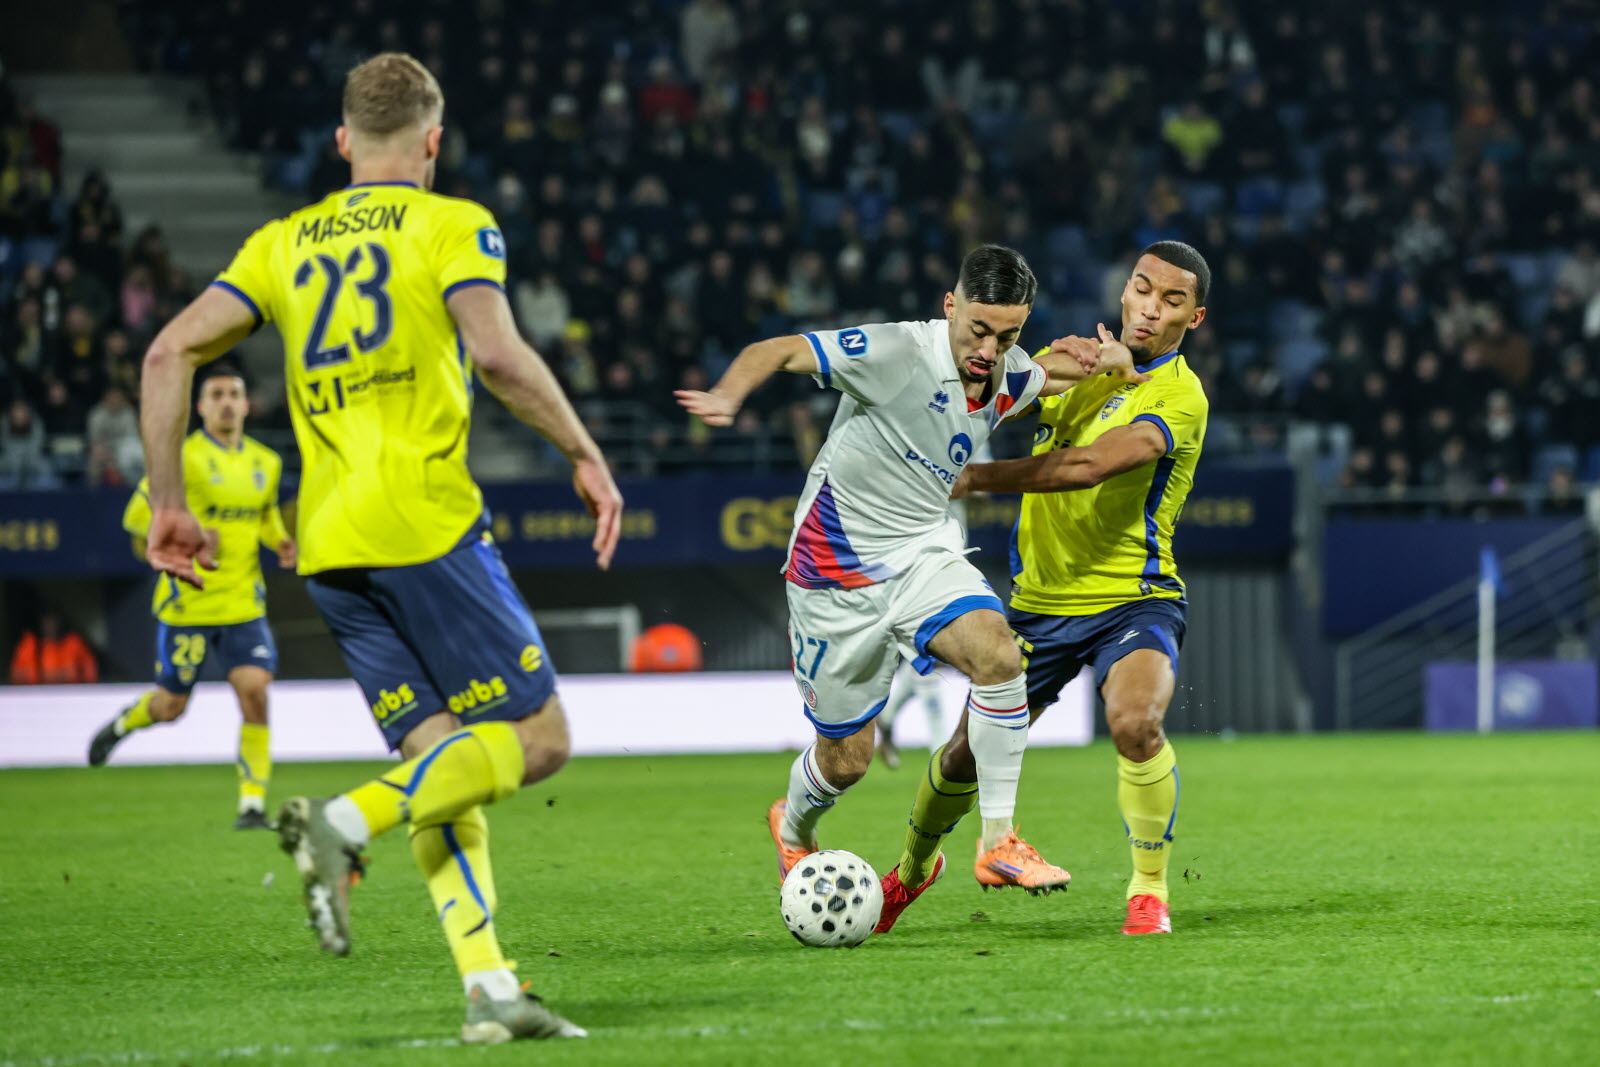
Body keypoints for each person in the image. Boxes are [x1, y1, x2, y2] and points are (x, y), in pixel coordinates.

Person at [133, 53, 622, 1043]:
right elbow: (494, 351)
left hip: (330, 541)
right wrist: (583, 449)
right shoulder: (451, 223)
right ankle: (345, 821)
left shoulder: (279, 241)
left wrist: (169, 502)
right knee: (539, 740)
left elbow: (166, 350)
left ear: (345, 141)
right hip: (423, 519)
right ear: (433, 142)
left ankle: (490, 991)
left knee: (446, 758)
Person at [676, 244, 1144, 933]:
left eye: (1007, 334)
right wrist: (726, 394)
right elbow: (776, 349)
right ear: (949, 306)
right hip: (833, 574)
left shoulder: (1005, 372)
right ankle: (793, 822)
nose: (989, 349)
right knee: (848, 758)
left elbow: (1050, 371)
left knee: (1000, 657)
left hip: (924, 552)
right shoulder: (895, 352)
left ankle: (999, 841)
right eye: (978, 330)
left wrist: (1111, 360)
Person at [951, 240, 1212, 936]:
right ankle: (909, 871)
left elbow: (1090, 465)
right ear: (1123, 291)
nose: (1150, 308)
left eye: (1172, 300)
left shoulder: (1181, 396)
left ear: (1196, 317)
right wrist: (1033, 370)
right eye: (1141, 289)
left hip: (1135, 596)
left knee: (1135, 722)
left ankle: (1148, 889)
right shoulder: (1079, 368)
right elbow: (976, 404)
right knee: (961, 756)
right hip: (1040, 603)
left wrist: (972, 479)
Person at [87, 366, 294, 833]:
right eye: (216, 394)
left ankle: (252, 806)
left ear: (246, 405)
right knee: (171, 708)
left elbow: (263, 516)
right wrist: (190, 538)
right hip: (190, 604)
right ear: (200, 407)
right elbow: (137, 517)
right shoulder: (180, 460)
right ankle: (124, 724)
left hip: (243, 603)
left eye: (234, 394)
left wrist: (280, 540)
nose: (225, 402)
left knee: (256, 695)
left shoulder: (267, 462)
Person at [9, 612, 98, 684]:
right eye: (46, 622)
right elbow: (15, 675)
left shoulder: (74, 643)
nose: (50, 625)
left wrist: (73, 675)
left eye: (53, 621)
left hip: (71, 695)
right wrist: (44, 675)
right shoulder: (29, 645)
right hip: (36, 696)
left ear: (59, 623)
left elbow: (90, 673)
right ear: (41, 623)